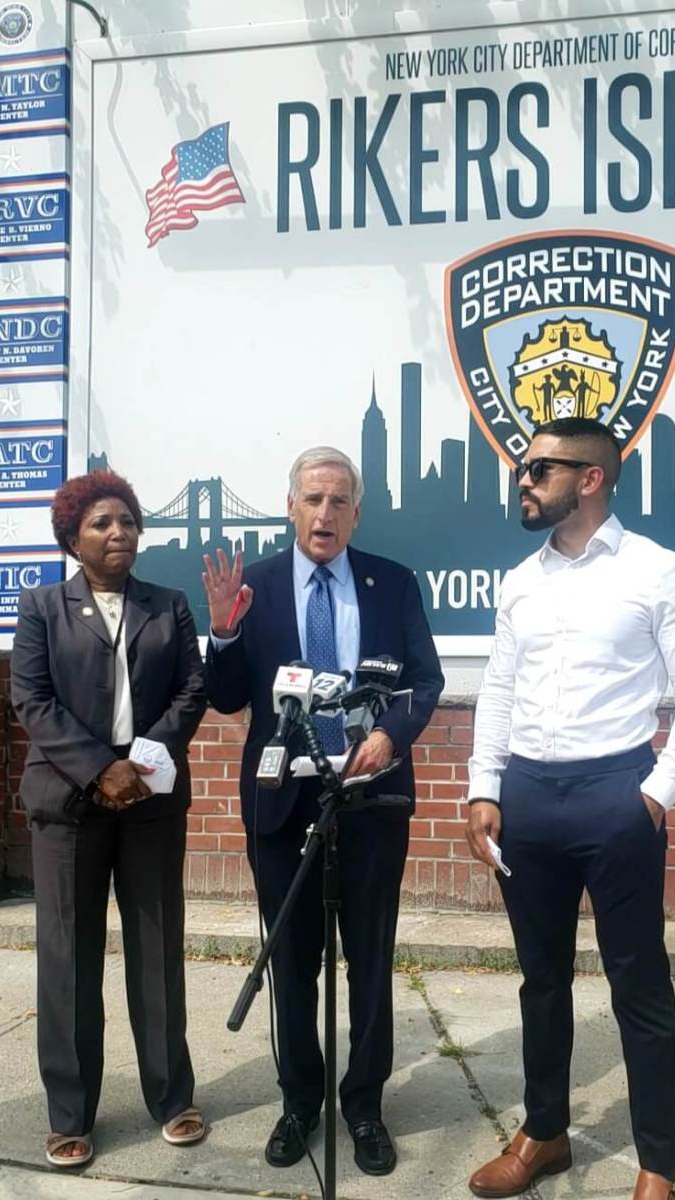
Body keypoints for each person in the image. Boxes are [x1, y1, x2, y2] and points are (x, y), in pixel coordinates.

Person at [465, 418, 675, 1200]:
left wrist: (651, 796)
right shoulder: (520, 580)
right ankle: (543, 1132)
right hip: (527, 799)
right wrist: (484, 786)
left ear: (590, 478)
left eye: (538, 467)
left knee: (636, 983)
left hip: (616, 793)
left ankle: (658, 1167)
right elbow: (500, 690)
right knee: (538, 981)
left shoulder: (656, 571)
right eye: (521, 465)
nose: (522, 479)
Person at [202, 446, 443, 1177]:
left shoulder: (392, 584)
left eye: (339, 501)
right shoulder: (260, 587)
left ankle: (363, 1106)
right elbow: (224, 696)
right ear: (290, 506)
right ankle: (299, 1100)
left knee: (368, 961)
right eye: (312, 499)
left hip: (370, 800)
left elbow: (424, 682)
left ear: (356, 513)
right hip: (282, 803)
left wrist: (386, 735)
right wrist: (222, 633)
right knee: (293, 964)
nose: (325, 514)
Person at [10, 470, 208, 1169]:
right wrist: (101, 768)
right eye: (101, 522)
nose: (118, 531)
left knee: (156, 953)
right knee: (68, 960)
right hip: (69, 805)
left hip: (150, 799)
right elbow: (31, 700)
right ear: (73, 537)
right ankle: (70, 1113)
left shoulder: (169, 604)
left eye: (126, 520)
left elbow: (192, 686)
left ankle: (171, 1097)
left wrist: (142, 761)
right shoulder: (42, 607)